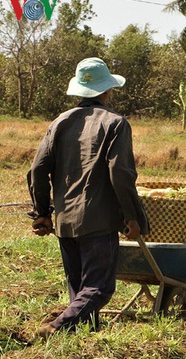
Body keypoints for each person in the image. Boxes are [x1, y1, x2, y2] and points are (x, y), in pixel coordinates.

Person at [27, 57, 148, 338]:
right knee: (99, 288)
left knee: (80, 288)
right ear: (107, 91)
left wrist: (42, 212)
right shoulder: (116, 123)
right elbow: (120, 172)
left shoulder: (59, 122)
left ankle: (84, 335)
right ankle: (56, 327)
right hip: (99, 220)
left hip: (65, 220)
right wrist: (133, 216)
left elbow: (37, 170)